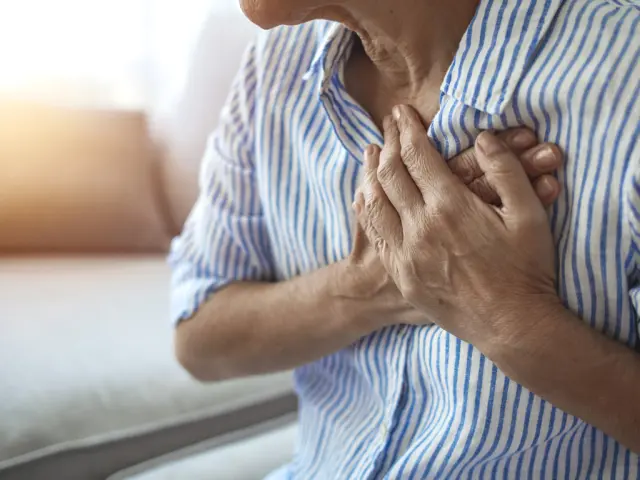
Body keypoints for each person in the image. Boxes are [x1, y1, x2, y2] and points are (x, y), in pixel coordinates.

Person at [169, 0, 640, 477]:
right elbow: (197, 338)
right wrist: (375, 283)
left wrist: (511, 320)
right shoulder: (275, 64)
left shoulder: (627, 75)